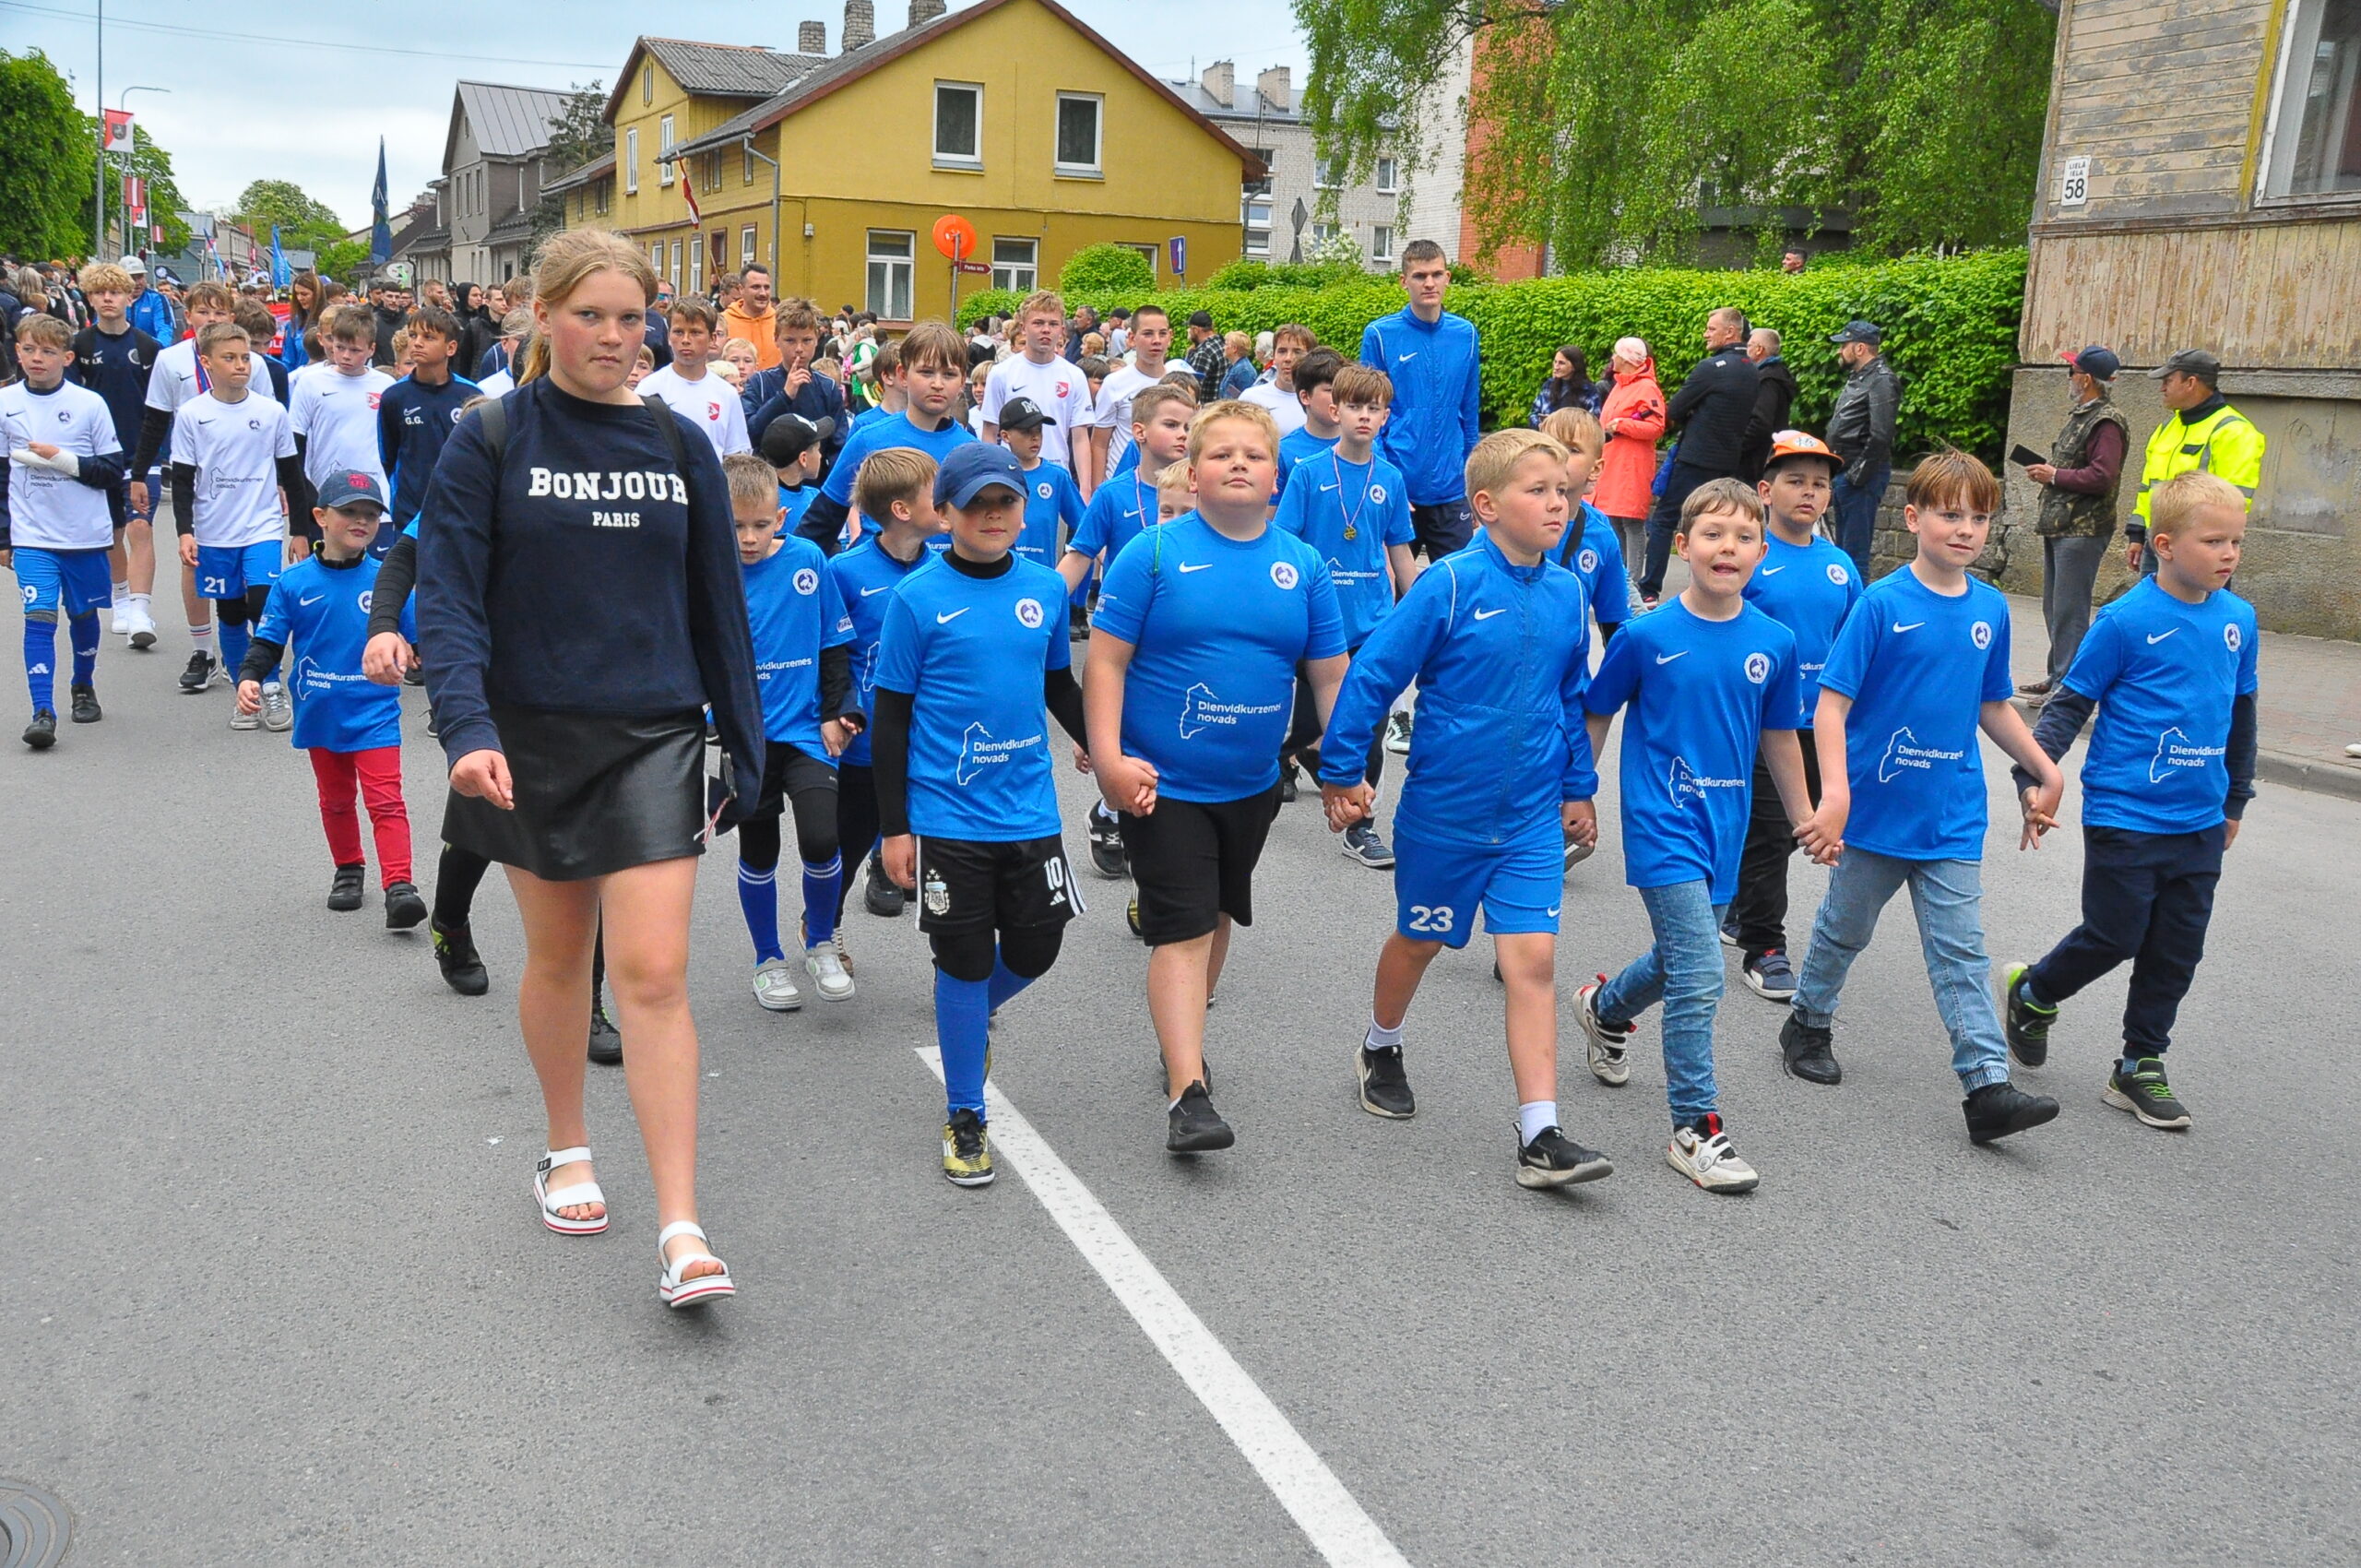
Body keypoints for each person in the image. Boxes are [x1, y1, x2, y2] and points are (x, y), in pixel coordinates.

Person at [414, 228, 762, 1310]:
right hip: (527, 735)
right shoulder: (489, 434)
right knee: (562, 956)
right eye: (590, 315)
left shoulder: (679, 443)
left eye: (629, 317)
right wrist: (466, 728)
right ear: (542, 315)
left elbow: (718, 602)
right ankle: (567, 1145)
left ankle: (682, 1227)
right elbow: (448, 593)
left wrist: (746, 748)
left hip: (655, 731)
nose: (614, 336)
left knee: (651, 971)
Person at [1319, 427, 1613, 1187]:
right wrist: (1342, 771)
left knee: (1533, 962)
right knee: (1419, 942)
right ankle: (1381, 1043)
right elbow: (1373, 675)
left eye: (1563, 491)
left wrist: (1578, 786)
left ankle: (1540, 1133)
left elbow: (1569, 697)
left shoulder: (1568, 591)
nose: (1558, 504)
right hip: (1445, 814)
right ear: (1485, 506)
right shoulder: (1447, 585)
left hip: (1529, 818)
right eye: (1538, 491)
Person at [1780, 451, 2065, 1146]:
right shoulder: (1881, 604)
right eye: (1950, 514)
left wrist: (2044, 770)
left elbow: (1992, 704)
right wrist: (1835, 794)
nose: (1966, 529)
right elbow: (1830, 706)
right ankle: (1808, 1021)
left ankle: (1987, 1088)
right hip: (1875, 813)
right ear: (1913, 519)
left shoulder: (1991, 608)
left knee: (1961, 952)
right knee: (1845, 929)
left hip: (1951, 815)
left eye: (1980, 517)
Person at [1086, 400, 1348, 1154]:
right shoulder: (1153, 554)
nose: (1239, 463)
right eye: (1222, 453)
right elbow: (1105, 663)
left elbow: (1330, 675)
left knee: (1221, 914)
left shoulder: (1303, 565)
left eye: (1254, 455)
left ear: (1276, 478)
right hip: (1161, 784)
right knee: (1185, 925)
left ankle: (1184, 1043)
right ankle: (1187, 1093)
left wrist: (1342, 764)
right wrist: (1108, 760)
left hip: (1252, 784)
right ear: (1192, 474)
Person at [1577, 479, 1821, 1194]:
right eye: (1713, 534)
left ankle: (1604, 1009)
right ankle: (1695, 1127)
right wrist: (1577, 792)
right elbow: (1598, 712)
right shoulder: (1645, 636)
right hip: (1661, 824)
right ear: (1683, 545)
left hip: (1726, 829)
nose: (1728, 548)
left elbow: (1780, 737)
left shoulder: (1774, 642)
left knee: (1678, 960)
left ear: (1761, 553)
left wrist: (1804, 815)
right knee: (1703, 973)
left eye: (1744, 537)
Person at [2000, 471, 2256, 1132]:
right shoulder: (2124, 621)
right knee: (2115, 935)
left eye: (2236, 541)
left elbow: (2242, 715)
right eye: (2214, 541)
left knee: (2177, 949)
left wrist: (2236, 799)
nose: (2229, 553)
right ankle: (2035, 991)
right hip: (2125, 814)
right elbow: (2069, 706)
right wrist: (2033, 777)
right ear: (2165, 545)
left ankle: (2140, 1063)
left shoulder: (2239, 620)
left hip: (2200, 820)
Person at [872, 444, 1091, 1187]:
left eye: (1006, 503)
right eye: (976, 505)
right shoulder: (918, 599)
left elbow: (1059, 684)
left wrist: (1103, 750)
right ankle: (965, 1113)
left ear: (1025, 511)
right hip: (947, 815)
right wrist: (895, 828)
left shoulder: (1045, 589)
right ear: (946, 514)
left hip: (1029, 809)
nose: (993, 516)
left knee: (1036, 950)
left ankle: (961, 1019)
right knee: (962, 959)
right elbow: (891, 720)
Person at [234, 470, 427, 925]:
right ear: (320, 517)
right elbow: (268, 641)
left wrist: (427, 661)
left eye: (371, 515)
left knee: (386, 800)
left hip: (374, 711)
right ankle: (348, 870)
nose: (361, 521)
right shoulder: (293, 583)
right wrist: (249, 677)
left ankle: (400, 886)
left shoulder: (388, 581)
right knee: (336, 800)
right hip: (320, 711)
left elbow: (420, 641)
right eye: (349, 512)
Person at [1721, 432, 1859, 1001]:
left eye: (1819, 484)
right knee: (1771, 829)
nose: (1809, 493)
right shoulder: (1751, 558)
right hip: (1757, 723)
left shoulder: (1840, 566)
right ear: (1765, 491)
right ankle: (1765, 947)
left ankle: (1740, 908)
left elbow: (1854, 645)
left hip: (1817, 724)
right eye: (1795, 481)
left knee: (1777, 830)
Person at [725, 451, 858, 1010]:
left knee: (822, 839)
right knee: (759, 850)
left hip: (806, 733)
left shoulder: (808, 560)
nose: (748, 538)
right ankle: (767, 960)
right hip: (748, 740)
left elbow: (833, 643)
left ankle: (821, 942)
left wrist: (836, 710)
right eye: (736, 525)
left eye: (760, 524)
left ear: (781, 518)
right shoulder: (708, 571)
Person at [1273, 362, 1417, 865]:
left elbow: (1400, 553)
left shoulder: (1391, 479)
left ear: (1385, 417)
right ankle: (1284, 757)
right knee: (1310, 725)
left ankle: (1361, 826)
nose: (1364, 416)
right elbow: (1285, 547)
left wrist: (1420, 613)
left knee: (1367, 726)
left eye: (1374, 408)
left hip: (1372, 621)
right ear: (1336, 410)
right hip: (1316, 624)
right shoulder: (1309, 473)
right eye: (1354, 406)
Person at [166, 321, 313, 733]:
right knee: (230, 613)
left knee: (262, 607)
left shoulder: (271, 412)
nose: (240, 365)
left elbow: (292, 475)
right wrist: (185, 531)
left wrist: (299, 530)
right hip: (215, 532)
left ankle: (271, 685)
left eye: (245, 357)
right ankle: (244, 695)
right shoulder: (193, 415)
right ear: (206, 362)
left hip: (261, 526)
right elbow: (183, 480)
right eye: (229, 358)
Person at [826, 448, 947, 923]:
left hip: (931, 741)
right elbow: (829, 653)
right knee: (846, 846)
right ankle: (824, 927)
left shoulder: (944, 567)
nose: (947, 501)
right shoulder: (845, 571)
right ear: (901, 510)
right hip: (867, 743)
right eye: (936, 494)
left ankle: (953, 958)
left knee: (942, 856)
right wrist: (834, 710)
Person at [3, 312, 125, 749]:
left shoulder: (89, 405)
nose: (37, 358)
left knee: (83, 615)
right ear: (18, 353)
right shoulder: (6, 403)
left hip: (83, 535)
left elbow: (111, 471)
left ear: (67, 358)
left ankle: (83, 684)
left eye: (48, 351)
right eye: (29, 349)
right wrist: (3, 535)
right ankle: (42, 711)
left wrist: (61, 459)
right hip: (32, 536)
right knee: (39, 617)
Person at [129, 280, 243, 687]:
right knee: (193, 558)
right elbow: (155, 420)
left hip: (243, 473)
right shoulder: (171, 359)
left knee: (241, 560)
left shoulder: (247, 361)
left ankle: (238, 646)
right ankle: (203, 650)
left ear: (231, 316)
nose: (211, 319)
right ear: (188, 316)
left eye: (219, 312)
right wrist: (139, 474)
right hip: (192, 472)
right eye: (203, 312)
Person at [796, 322, 977, 553]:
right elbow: (824, 520)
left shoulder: (972, 452)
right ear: (903, 374)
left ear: (962, 381)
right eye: (926, 372)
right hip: (875, 568)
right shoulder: (869, 439)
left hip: (945, 572)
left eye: (949, 374)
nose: (937, 384)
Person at [2018, 346, 2129, 704]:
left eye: (2072, 372)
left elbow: (2102, 476)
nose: (2068, 378)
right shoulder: (2085, 415)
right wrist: (2050, 472)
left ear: (2086, 379)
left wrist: (2054, 475)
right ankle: (2058, 675)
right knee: (2055, 607)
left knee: (2070, 610)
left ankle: (2069, 687)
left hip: (2083, 529)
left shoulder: (2106, 422)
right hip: (2063, 525)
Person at [1360, 241, 1482, 560]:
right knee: (1394, 585)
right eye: (1419, 276)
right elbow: (1369, 413)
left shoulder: (1466, 334)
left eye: (1436, 274)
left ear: (1448, 278)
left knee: (1458, 582)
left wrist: (1472, 479)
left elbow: (1470, 412)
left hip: (1451, 490)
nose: (1429, 283)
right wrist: (1386, 477)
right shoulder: (1380, 335)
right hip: (1400, 484)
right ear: (1404, 281)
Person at [69, 260, 163, 649]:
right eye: (99, 293)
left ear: (129, 297)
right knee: (111, 532)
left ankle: (140, 609)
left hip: (141, 454)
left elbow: (158, 405)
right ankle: (121, 597)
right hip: (97, 455)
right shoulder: (79, 345)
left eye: (115, 292)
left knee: (140, 526)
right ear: (90, 299)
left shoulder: (147, 347)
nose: (108, 299)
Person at [1637, 307, 1759, 601]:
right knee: (1713, 523)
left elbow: (1674, 410)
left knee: (1666, 519)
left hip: (1695, 458)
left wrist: (1693, 414)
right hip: (1728, 460)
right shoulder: (1752, 370)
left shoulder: (1711, 368)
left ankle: (1649, 589)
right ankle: (1708, 587)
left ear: (1730, 332)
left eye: (1711, 329)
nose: (1706, 334)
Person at [2128, 348, 2264, 577]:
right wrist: (2137, 533)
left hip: (2199, 549)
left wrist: (2209, 543)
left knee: (2196, 602)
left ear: (2190, 383)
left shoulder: (2234, 431)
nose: (2162, 388)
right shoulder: (2167, 427)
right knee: (2155, 603)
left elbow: (2234, 502)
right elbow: (2148, 488)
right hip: (2158, 542)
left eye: (2168, 381)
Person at [290, 304, 395, 552]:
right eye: (339, 347)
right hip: (326, 497)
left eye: (355, 350)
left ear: (371, 349)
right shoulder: (310, 383)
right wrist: (302, 507)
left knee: (375, 572)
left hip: (375, 498)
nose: (346, 356)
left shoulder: (386, 385)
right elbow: (295, 445)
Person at [375, 306, 480, 552]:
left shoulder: (470, 395)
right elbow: (388, 457)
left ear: (450, 348)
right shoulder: (394, 397)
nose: (417, 343)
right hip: (409, 513)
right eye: (413, 335)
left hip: (458, 511)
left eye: (429, 337)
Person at [980, 291, 1096, 493]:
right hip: (1012, 479)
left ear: (1062, 329)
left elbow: (1080, 438)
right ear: (1023, 327)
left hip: (1057, 480)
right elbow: (990, 433)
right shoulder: (1002, 374)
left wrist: (1085, 489)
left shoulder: (1074, 375)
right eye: (1038, 323)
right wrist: (990, 478)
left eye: (1053, 324)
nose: (1046, 330)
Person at [1824, 320, 1901, 577]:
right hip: (1847, 472)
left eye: (1843, 345)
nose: (1839, 351)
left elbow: (1881, 434)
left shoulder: (1881, 380)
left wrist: (1856, 475)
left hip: (1861, 475)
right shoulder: (1862, 377)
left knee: (1855, 555)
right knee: (1844, 552)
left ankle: (1857, 602)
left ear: (1859, 348)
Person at [635, 298, 752, 459]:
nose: (685, 340)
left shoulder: (726, 393)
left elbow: (735, 454)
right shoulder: (649, 388)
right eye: (678, 332)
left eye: (695, 333)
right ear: (668, 337)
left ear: (712, 339)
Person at [742, 298, 848, 469]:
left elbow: (839, 446)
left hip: (815, 480)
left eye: (806, 340)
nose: (799, 348)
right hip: (770, 478)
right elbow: (750, 435)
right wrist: (784, 397)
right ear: (776, 339)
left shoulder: (828, 387)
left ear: (817, 339)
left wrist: (830, 483)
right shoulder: (760, 382)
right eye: (790, 340)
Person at [1594, 339, 1665, 579]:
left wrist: (1622, 425)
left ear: (1626, 359)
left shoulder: (1646, 388)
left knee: (1632, 522)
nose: (1612, 358)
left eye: (1616, 354)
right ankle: (1621, 575)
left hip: (1631, 465)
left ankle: (1631, 579)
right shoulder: (1621, 385)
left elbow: (1656, 426)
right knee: (1615, 520)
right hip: (1616, 461)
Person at [994, 396, 1086, 574]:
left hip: (1043, 573)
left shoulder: (1056, 476)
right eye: (1026, 431)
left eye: (1039, 430)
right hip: (1001, 574)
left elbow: (1085, 525)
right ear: (1005, 436)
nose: (1035, 437)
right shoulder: (994, 475)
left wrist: (1070, 566)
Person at [1089, 303, 1178, 479]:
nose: (1156, 341)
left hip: (1168, 482)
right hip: (1123, 482)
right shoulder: (1115, 383)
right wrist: (1098, 488)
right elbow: (1099, 443)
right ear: (1132, 338)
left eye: (1162, 333)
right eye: (1148, 334)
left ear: (1170, 337)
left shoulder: (1179, 383)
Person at [761, 411, 833, 543]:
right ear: (803, 459)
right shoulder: (768, 503)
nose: (820, 456)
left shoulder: (815, 495)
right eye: (818, 450)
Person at [1737, 328, 1795, 484]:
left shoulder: (1767, 380)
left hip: (1755, 463)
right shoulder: (1777, 375)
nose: (1745, 349)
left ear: (1759, 350)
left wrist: (1737, 448)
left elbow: (1760, 423)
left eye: (1749, 345)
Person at [1239, 323, 1312, 438]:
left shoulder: (1321, 401)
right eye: (1282, 351)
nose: (1288, 358)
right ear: (1274, 356)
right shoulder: (1251, 399)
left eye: (1297, 352)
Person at [722, 263, 779, 371]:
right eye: (756, 287)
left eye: (766, 287)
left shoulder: (780, 322)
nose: (763, 293)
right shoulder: (724, 323)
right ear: (741, 289)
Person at [1528, 344, 1601, 427]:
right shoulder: (1549, 385)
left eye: (1561, 363)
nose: (1556, 367)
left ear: (1574, 366)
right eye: (1555, 362)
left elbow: (1593, 423)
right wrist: (1540, 425)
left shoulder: (1588, 391)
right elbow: (1533, 413)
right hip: (1545, 434)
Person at [120, 255, 176, 343]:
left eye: (140, 277)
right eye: (131, 277)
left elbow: (164, 329)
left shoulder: (157, 299)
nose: (137, 282)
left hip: (150, 349)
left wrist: (155, 347)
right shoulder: (111, 300)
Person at [1217, 331, 1259, 399]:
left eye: (1226, 344)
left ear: (1234, 348)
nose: (1223, 347)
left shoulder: (1244, 371)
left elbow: (1247, 400)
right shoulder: (1235, 367)